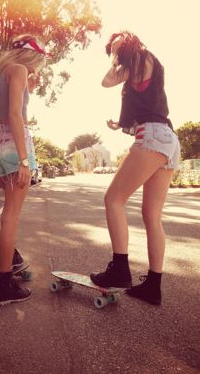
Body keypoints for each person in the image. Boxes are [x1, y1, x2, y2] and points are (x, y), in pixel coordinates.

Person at [90, 31, 180, 305]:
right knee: (151, 215)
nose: (115, 53)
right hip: (164, 138)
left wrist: (120, 52)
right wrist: (122, 123)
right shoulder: (137, 66)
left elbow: (106, 81)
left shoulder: (142, 58)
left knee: (113, 200)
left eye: (118, 47)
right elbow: (119, 85)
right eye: (113, 50)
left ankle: (120, 270)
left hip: (155, 136)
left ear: (131, 42)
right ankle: (153, 286)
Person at [0, 35, 46, 306]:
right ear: (31, 58)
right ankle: (5, 285)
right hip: (12, 146)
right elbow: (16, 115)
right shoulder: (18, 70)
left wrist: (30, 84)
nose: (37, 70)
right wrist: (23, 160)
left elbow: (5, 110)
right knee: (12, 215)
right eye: (38, 64)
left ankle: (12, 257)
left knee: (8, 211)